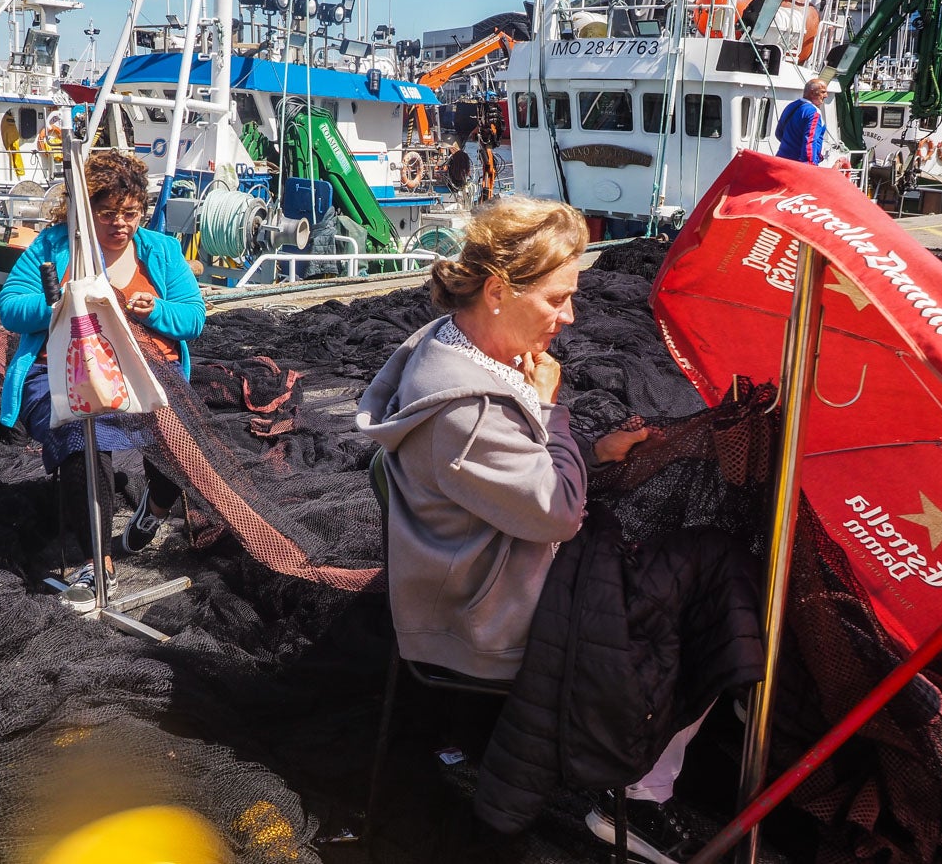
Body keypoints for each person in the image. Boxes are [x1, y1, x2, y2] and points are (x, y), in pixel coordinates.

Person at [355, 196, 761, 864]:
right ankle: (635, 797)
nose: (568, 317)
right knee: (714, 578)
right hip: (490, 613)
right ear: (495, 291)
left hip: (478, 567)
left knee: (696, 567)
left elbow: (521, 491)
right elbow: (557, 513)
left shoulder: (446, 344)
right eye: (554, 299)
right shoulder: (465, 407)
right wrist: (551, 414)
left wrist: (593, 455)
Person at [0, 149, 205, 610]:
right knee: (80, 436)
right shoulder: (53, 247)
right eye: (108, 213)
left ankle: (152, 511)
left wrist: (158, 312)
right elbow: (11, 307)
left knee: (183, 449)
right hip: (63, 370)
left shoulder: (163, 252)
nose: (121, 224)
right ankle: (98, 558)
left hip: (147, 369)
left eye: (130, 214)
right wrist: (59, 304)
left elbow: (193, 319)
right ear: (83, 210)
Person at [775, 78, 829, 164]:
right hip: (798, 166)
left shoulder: (791, 106)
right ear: (812, 93)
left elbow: (778, 133)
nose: (826, 96)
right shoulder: (814, 113)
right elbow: (810, 141)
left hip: (781, 160)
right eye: (823, 92)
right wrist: (810, 165)